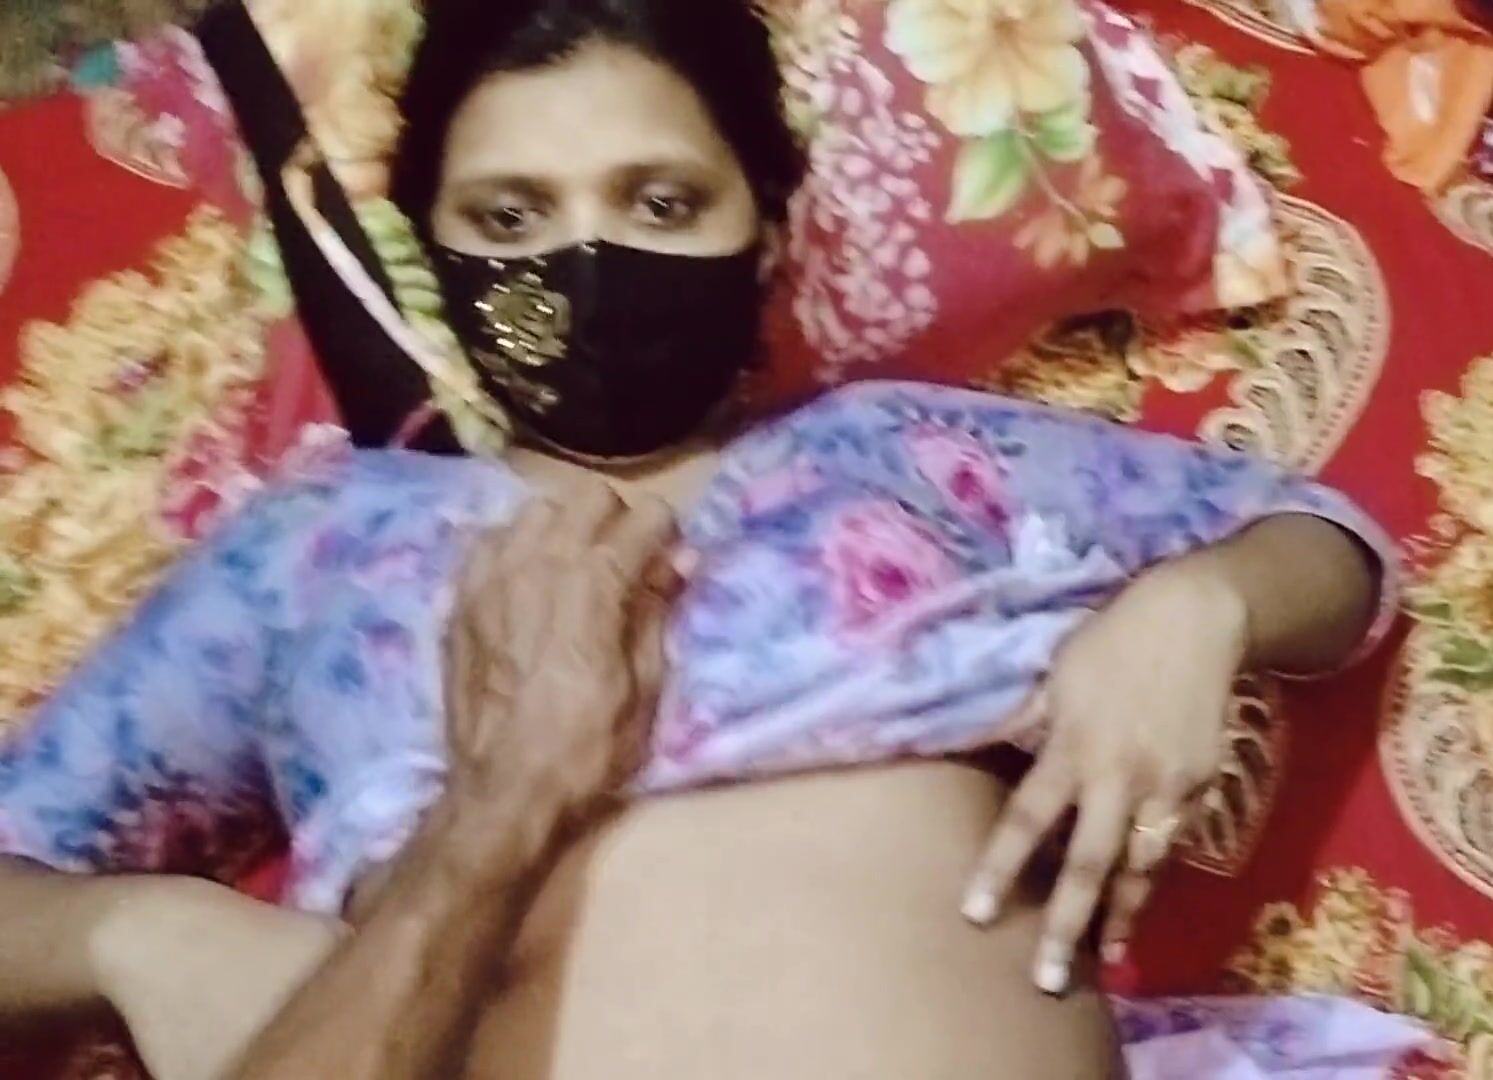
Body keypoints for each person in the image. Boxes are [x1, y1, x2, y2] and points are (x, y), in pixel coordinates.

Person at [0, 1, 1416, 1077]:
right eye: (510, 216)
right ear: (437, 252)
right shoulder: (322, 548)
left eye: (662, 202)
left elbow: (1331, 551)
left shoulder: (894, 451)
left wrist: (1201, 605)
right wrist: (135, 928)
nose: (585, 263)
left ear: (769, 233)